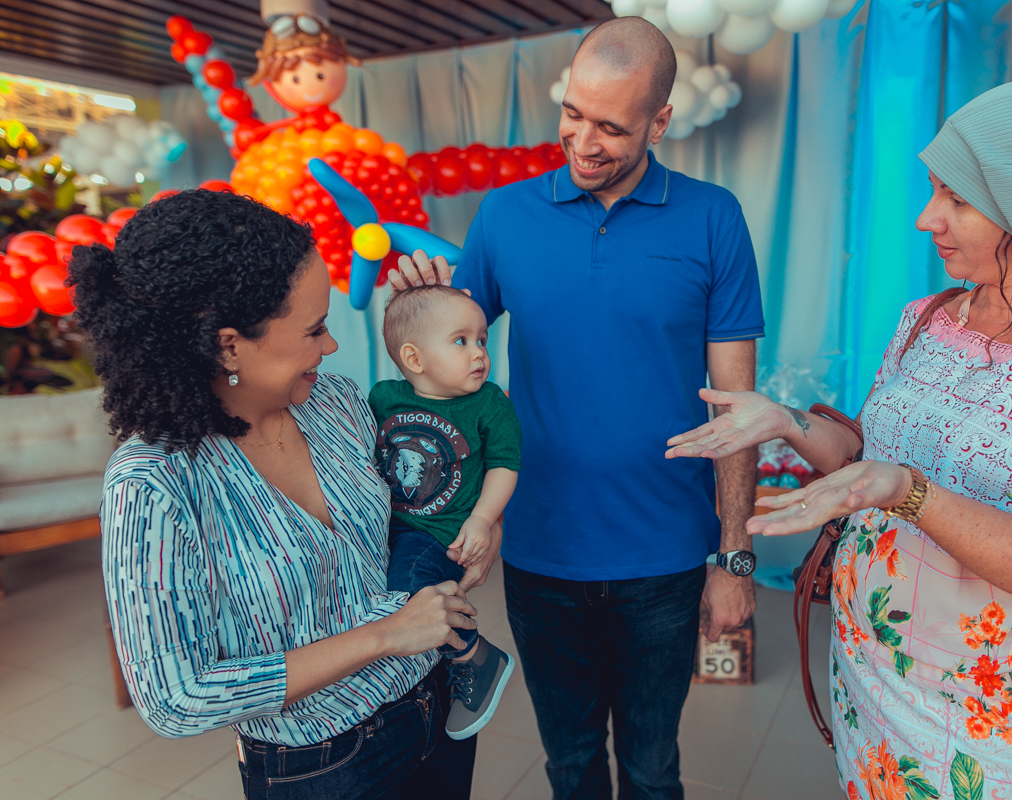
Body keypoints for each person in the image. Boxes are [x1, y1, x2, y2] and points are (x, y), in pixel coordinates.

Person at [666, 80, 1012, 799]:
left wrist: (908, 492)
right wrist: (785, 421)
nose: (926, 219)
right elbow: (866, 464)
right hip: (867, 675)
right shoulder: (936, 314)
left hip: (988, 715)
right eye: (933, 192)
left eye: (957, 199)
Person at [388, 16, 764, 799]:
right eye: (573, 114)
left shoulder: (713, 216)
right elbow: (448, 359)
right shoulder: (505, 215)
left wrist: (732, 561)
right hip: (541, 551)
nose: (583, 141)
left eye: (612, 127)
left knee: (654, 766)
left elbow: (741, 412)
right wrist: (414, 308)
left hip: (663, 554)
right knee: (570, 763)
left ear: (660, 121)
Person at [72, 190, 483, 800]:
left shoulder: (336, 402)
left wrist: (434, 324)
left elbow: (421, 496)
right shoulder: (153, 485)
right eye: (315, 329)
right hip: (323, 766)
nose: (331, 346)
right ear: (229, 345)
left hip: (436, 703)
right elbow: (175, 698)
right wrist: (386, 634)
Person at [369, 285, 521, 740]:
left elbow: (505, 465)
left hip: (437, 533)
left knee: (410, 589)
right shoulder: (383, 398)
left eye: (482, 340)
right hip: (387, 528)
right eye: (461, 341)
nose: (479, 353)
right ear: (414, 360)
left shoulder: (489, 403)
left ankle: (475, 655)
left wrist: (481, 520)